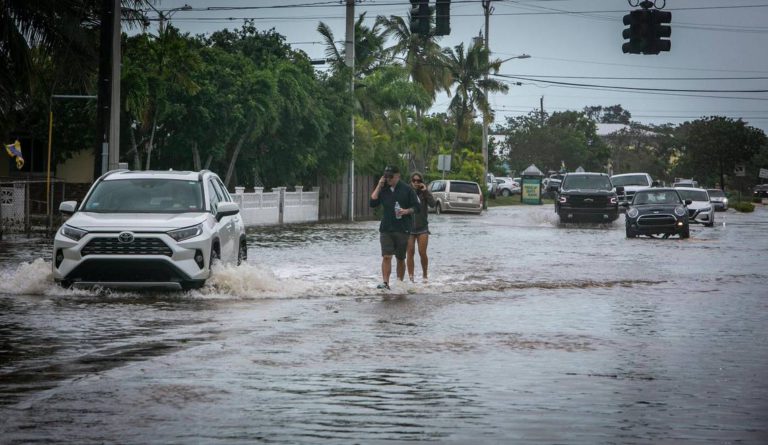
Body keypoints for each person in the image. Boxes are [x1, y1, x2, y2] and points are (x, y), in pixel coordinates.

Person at [369, 166, 420, 290]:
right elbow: (372, 203)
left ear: (398, 176)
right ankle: (385, 283)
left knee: (400, 258)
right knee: (386, 256)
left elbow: (417, 207)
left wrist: (406, 211)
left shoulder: (407, 190)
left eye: (390, 176)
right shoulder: (383, 189)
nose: (388, 179)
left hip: (402, 229)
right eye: (386, 176)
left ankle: (399, 283)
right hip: (386, 228)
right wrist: (379, 186)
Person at [406, 171, 435, 283]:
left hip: (422, 227)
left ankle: (424, 275)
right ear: (411, 181)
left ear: (421, 182)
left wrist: (426, 191)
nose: (416, 183)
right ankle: (411, 278)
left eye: (418, 181)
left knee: (422, 252)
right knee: (410, 252)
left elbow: (432, 204)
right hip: (409, 227)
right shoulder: (407, 192)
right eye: (414, 180)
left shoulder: (424, 193)